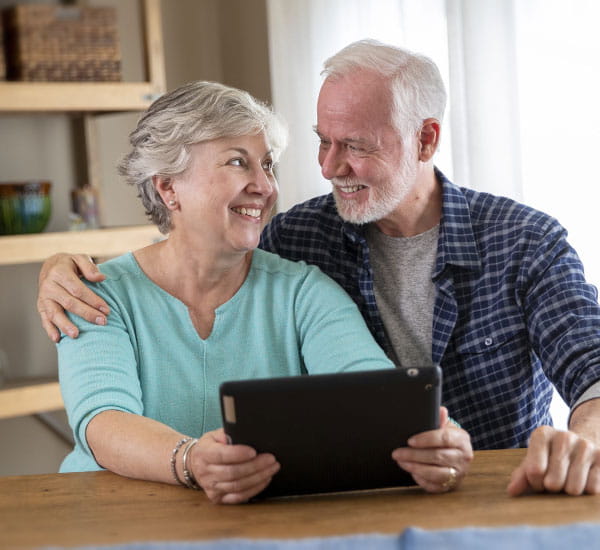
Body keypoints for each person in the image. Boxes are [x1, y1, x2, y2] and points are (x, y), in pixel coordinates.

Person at [37, 38, 600, 496]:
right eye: (322, 142)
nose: (328, 168)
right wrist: (58, 266)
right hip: (129, 515)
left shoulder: (522, 240)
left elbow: (588, 369)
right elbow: (107, 410)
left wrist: (453, 436)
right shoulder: (297, 237)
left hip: (489, 495)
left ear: (425, 138)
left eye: (353, 144)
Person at [53, 79, 472, 504]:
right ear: (168, 187)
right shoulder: (96, 294)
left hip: (255, 520)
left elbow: (377, 393)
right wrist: (191, 460)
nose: (265, 185)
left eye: (267, 164)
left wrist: (442, 439)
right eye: (238, 162)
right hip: (113, 517)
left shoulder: (303, 292)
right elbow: (104, 421)